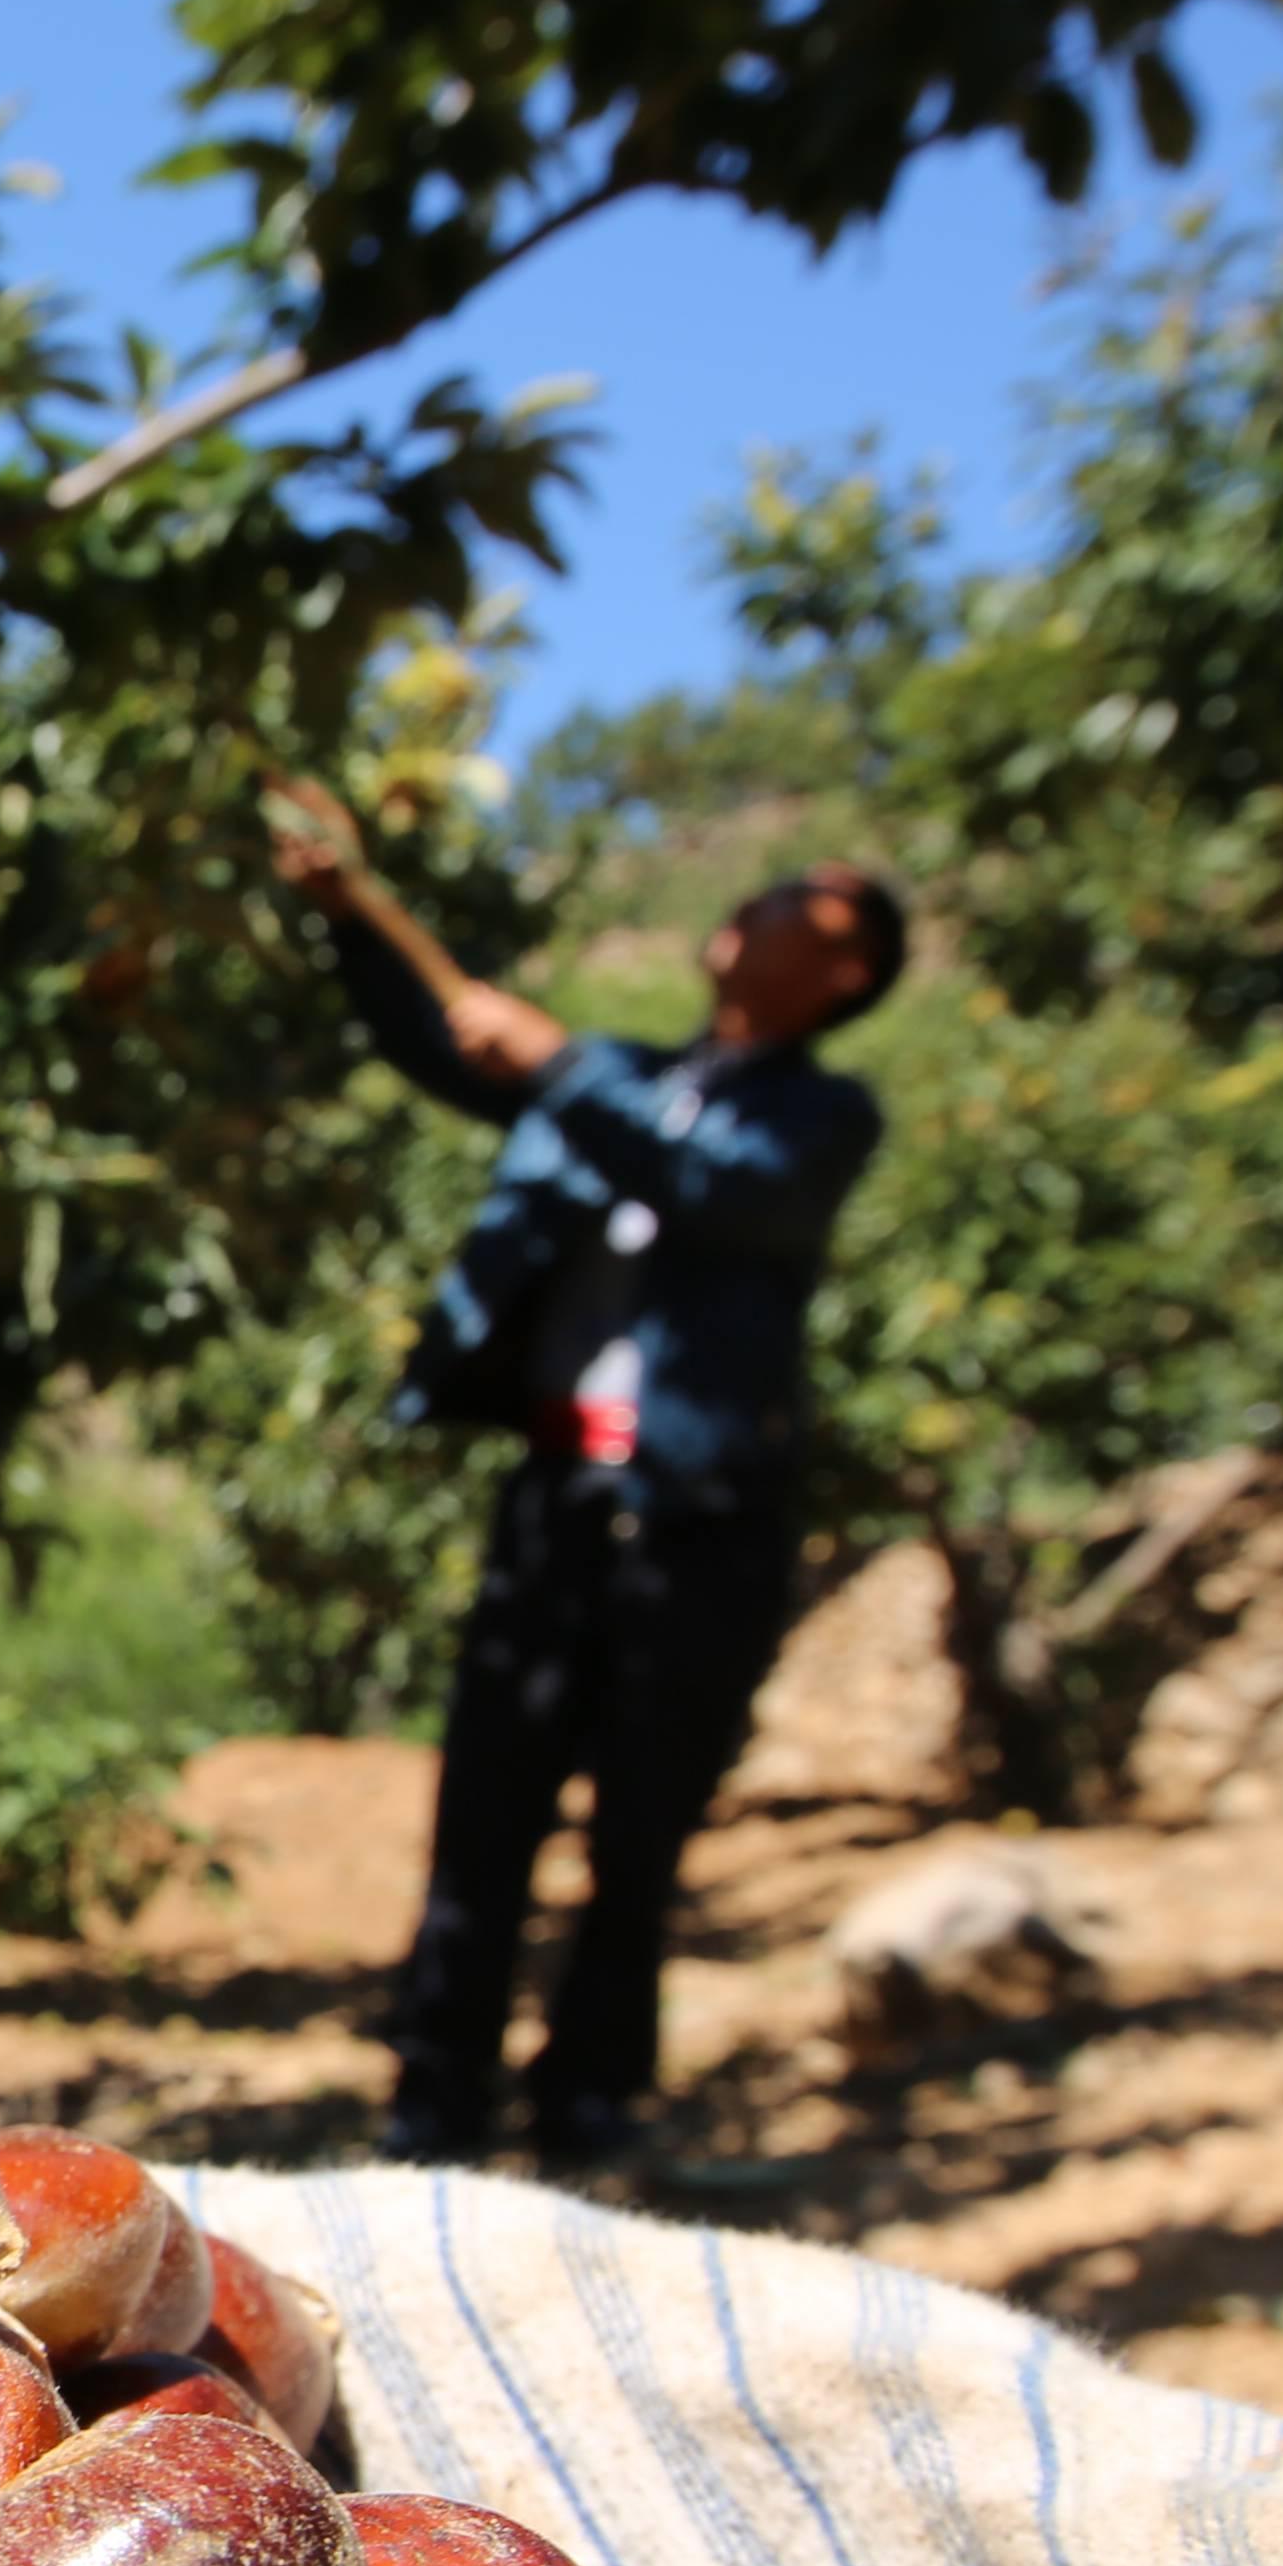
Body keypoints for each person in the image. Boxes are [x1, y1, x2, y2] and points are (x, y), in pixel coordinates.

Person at [260, 777, 910, 2171]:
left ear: (847, 972)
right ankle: (434, 2109)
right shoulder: (624, 1078)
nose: (763, 901)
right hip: (557, 1503)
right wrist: (352, 927)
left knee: (642, 1827)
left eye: (808, 902)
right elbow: (444, 1052)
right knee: (484, 1810)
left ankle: (591, 2106)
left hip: (698, 1522)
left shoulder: (815, 1120)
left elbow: (721, 1191)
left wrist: (560, 1066)